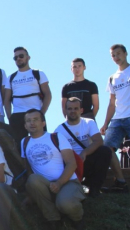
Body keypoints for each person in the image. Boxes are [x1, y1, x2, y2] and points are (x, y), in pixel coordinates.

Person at [22, 109, 85, 230]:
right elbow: (28, 169)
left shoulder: (56, 137)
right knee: (32, 180)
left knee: (65, 204)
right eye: (28, 121)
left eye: (35, 120)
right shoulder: (25, 142)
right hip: (44, 184)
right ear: (25, 125)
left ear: (43, 123)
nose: (32, 123)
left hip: (67, 182)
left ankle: (77, 218)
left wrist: (60, 183)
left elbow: (71, 163)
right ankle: (53, 219)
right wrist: (32, 193)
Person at [54, 97, 111, 197]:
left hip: (87, 158)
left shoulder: (89, 122)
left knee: (105, 151)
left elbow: (98, 141)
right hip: (70, 163)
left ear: (81, 110)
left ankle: (94, 189)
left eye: (76, 108)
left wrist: (84, 153)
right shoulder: (59, 129)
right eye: (70, 109)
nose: (72, 111)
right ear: (66, 110)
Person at [4, 47, 52, 148]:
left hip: (36, 113)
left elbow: (48, 94)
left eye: (21, 56)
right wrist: (10, 118)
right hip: (17, 115)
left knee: (41, 144)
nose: (18, 59)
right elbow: (7, 100)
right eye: (15, 58)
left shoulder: (38, 73)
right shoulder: (11, 77)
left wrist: (41, 113)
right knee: (17, 148)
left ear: (28, 57)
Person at [100, 44, 130, 193]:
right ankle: (120, 181)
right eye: (113, 55)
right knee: (107, 149)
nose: (116, 57)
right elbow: (112, 103)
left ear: (126, 53)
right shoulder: (112, 78)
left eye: (118, 54)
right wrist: (106, 123)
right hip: (118, 119)